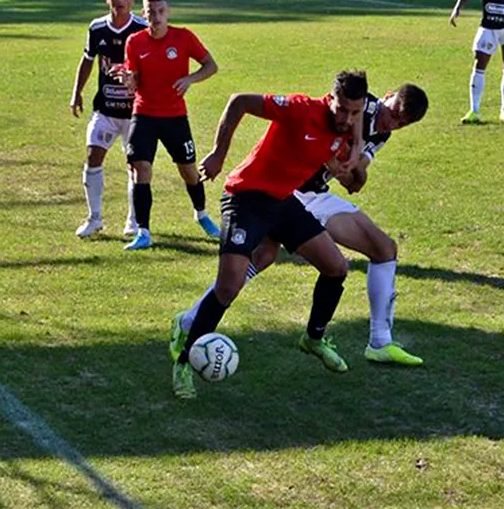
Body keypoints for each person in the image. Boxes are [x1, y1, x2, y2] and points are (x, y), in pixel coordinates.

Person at [170, 84, 430, 369]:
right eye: (392, 114)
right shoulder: (357, 107)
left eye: (400, 123)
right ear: (388, 95)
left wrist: (349, 166)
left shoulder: (382, 132)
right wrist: (342, 163)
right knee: (262, 259)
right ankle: (192, 323)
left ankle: (378, 342)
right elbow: (339, 156)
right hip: (291, 191)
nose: (391, 123)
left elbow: (356, 178)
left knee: (381, 248)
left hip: (313, 193)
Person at [170, 71, 366, 399]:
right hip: (245, 197)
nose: (346, 117)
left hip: (282, 202)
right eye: (341, 109)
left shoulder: (345, 133)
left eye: (354, 113)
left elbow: (355, 183)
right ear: (329, 99)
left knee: (336, 267)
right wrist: (219, 152)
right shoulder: (301, 109)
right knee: (229, 286)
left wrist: (355, 164)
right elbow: (240, 101)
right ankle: (183, 361)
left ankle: (314, 339)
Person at [114, 0, 220, 250]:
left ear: (168, 12)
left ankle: (201, 214)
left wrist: (190, 79)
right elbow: (134, 79)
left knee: (188, 171)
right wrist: (128, 80)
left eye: (161, 12)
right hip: (144, 113)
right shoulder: (135, 42)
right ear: (144, 14)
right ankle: (144, 232)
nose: (157, 17)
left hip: (174, 116)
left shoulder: (183, 37)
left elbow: (211, 66)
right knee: (141, 169)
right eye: (151, 13)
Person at [71, 0, 148, 239]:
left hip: (135, 113)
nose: (120, 1)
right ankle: (94, 218)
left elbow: (153, 68)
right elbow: (87, 60)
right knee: (93, 156)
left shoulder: (142, 28)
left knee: (136, 166)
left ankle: (134, 221)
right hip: (104, 110)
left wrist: (132, 77)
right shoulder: (96, 28)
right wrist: (76, 93)